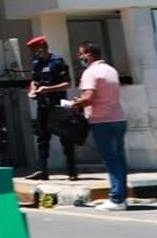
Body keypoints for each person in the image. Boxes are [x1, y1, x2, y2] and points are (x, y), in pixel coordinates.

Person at [69, 41, 129, 211]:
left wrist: (76, 104)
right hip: (118, 119)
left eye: (81, 54)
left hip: (102, 121)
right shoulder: (110, 70)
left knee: (111, 160)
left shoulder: (90, 72)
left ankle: (117, 199)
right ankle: (121, 196)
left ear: (88, 55)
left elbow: (89, 97)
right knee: (119, 159)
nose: (79, 57)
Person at [24, 35, 77, 181]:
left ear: (43, 48)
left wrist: (48, 89)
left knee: (65, 138)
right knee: (42, 138)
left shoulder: (57, 62)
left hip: (58, 105)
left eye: (36, 50)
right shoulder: (37, 64)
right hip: (43, 105)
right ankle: (42, 170)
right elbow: (34, 80)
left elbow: (67, 84)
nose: (35, 53)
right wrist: (32, 90)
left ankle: (72, 171)